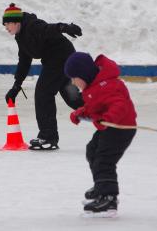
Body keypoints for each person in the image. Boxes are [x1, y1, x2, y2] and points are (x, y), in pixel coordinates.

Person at [2, 3, 84, 150]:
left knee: (43, 93)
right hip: (59, 59)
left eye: (7, 23)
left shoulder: (32, 25)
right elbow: (24, 60)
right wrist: (16, 85)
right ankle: (105, 112)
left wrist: (64, 27)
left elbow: (48, 29)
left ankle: (48, 137)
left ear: (16, 22)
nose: (6, 27)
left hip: (60, 58)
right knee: (72, 97)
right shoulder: (20, 36)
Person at [64, 52, 137, 217]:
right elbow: (94, 107)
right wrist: (80, 113)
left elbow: (120, 105)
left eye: (74, 78)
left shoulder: (110, 85)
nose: (73, 82)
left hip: (121, 127)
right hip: (110, 127)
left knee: (104, 160)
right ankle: (101, 186)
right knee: (92, 150)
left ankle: (109, 198)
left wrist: (107, 118)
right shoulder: (94, 86)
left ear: (83, 74)